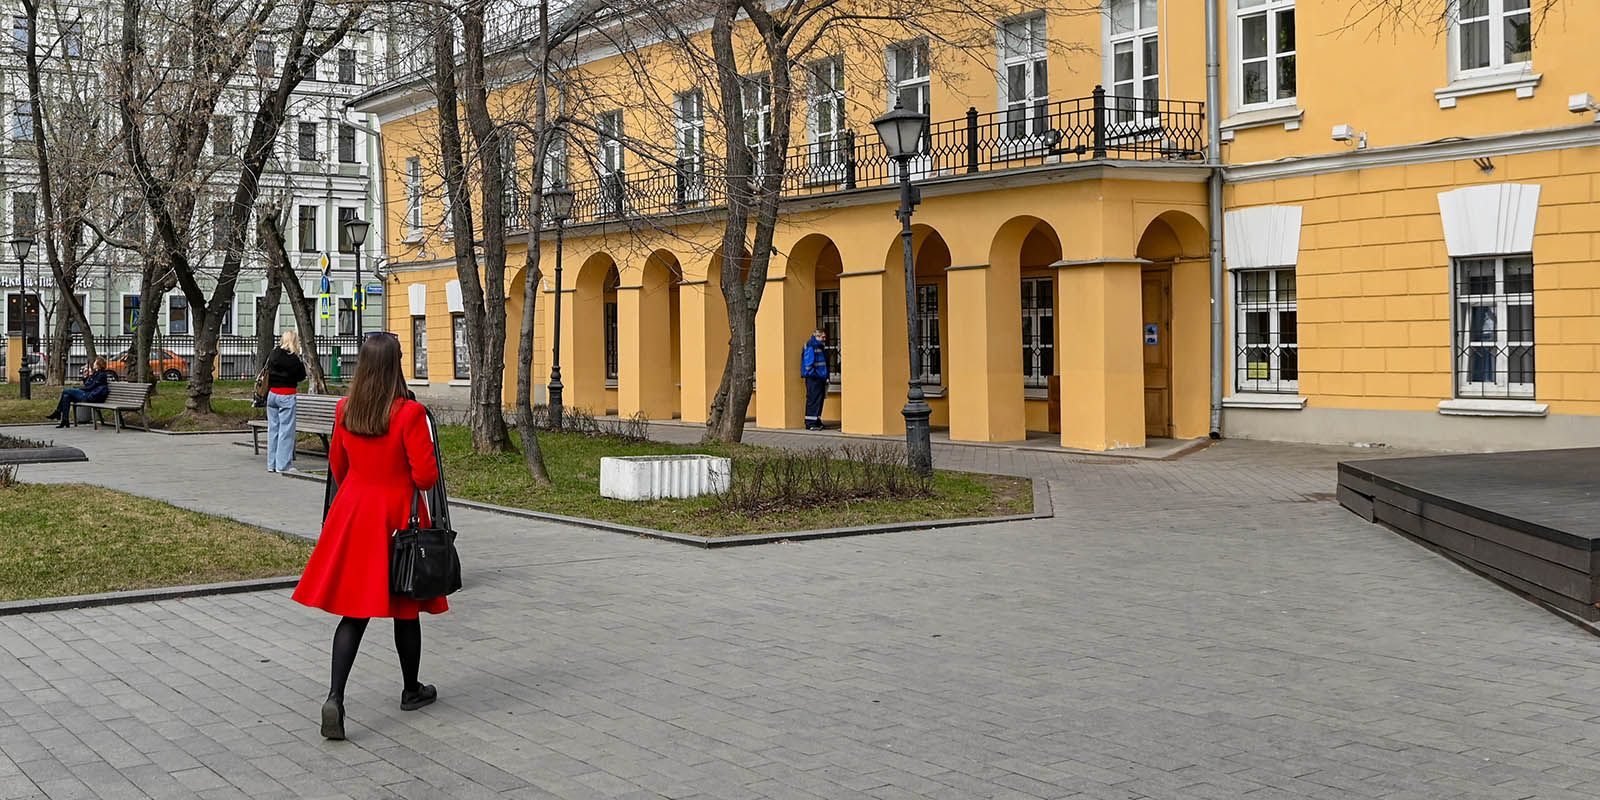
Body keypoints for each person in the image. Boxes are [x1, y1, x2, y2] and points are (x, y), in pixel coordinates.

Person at [293, 332, 443, 741]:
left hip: (355, 515)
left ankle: (335, 697)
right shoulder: (409, 414)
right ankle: (411, 689)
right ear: (396, 364)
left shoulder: (345, 409)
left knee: (354, 614)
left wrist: (360, 490)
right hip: (397, 518)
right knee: (406, 609)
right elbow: (425, 476)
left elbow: (337, 466)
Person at [264, 331, 308, 473]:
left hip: (272, 395)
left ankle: (271, 464)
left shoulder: (274, 354)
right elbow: (301, 376)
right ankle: (283, 465)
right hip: (286, 396)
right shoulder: (293, 359)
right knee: (286, 431)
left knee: (273, 430)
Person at [46, 357, 113, 428]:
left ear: (99, 364)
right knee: (66, 397)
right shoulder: (96, 373)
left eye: (95, 362)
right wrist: (85, 377)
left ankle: (58, 412)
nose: (93, 363)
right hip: (87, 394)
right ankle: (65, 420)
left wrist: (78, 388)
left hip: (90, 396)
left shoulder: (102, 375)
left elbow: (91, 387)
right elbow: (88, 384)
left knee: (65, 391)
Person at [801, 329, 829, 431]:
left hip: (819, 378)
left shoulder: (819, 346)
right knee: (813, 400)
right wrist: (816, 374)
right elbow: (808, 364)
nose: (824, 339)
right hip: (814, 378)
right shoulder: (811, 346)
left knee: (818, 400)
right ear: (817, 336)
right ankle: (810, 423)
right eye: (823, 337)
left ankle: (816, 420)